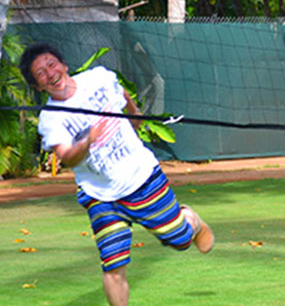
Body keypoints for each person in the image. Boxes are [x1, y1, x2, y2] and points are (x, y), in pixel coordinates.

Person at [18, 42, 214, 306]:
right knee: (113, 266)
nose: (50, 73)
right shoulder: (50, 119)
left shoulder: (98, 78)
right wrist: (86, 141)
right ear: (38, 86)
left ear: (64, 65)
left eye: (51, 64)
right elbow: (67, 156)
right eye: (40, 73)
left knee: (179, 240)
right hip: (99, 196)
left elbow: (122, 95)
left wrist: (134, 116)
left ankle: (192, 220)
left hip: (141, 179)